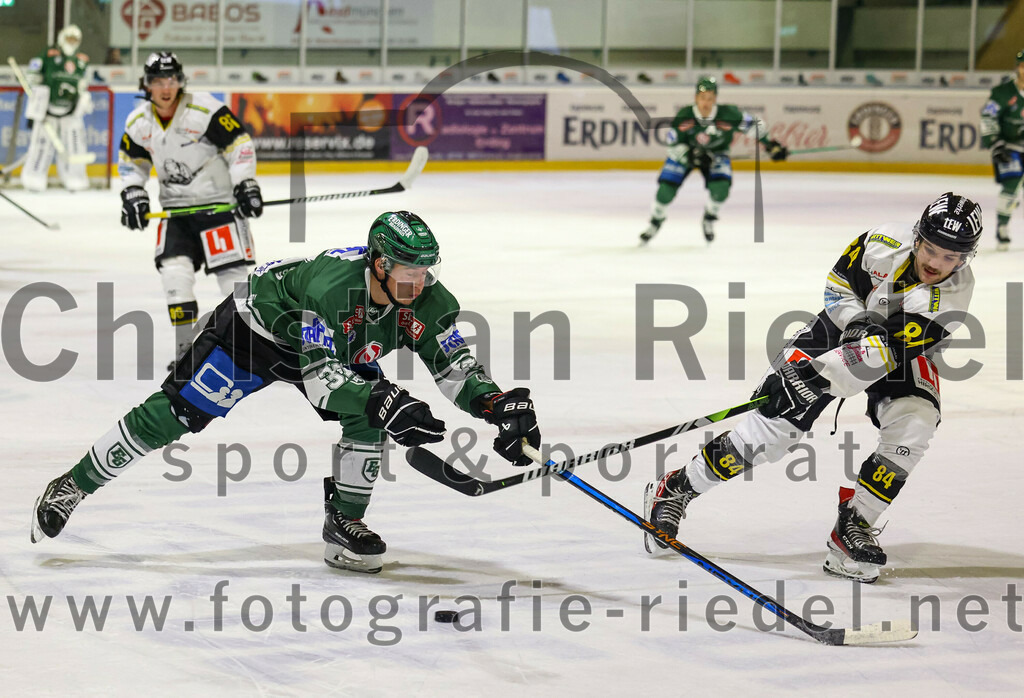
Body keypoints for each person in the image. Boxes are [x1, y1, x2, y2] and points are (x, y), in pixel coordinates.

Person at [29, 211, 543, 575]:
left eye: (425, 270)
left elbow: (454, 363)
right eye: (409, 271)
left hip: (328, 345)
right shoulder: (332, 290)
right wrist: (383, 399)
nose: (420, 281)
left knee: (370, 412)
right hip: (257, 332)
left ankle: (345, 521)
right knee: (173, 415)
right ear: (379, 264)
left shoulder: (428, 298)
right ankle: (73, 484)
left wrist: (492, 404)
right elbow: (322, 382)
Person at [643, 193, 981, 584]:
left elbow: (885, 352)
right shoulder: (881, 242)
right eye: (934, 250)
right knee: (769, 433)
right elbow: (838, 287)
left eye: (952, 258)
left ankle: (852, 527)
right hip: (834, 330)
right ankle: (677, 488)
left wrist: (817, 377)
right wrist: (855, 321)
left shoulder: (954, 294)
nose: (938, 264)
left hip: (902, 351)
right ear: (918, 237)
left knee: (916, 423)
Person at [118, 51, 263, 367]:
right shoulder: (138, 123)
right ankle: (186, 351)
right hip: (176, 213)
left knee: (234, 281)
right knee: (174, 276)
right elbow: (132, 164)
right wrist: (133, 192)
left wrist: (245, 183)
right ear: (147, 85)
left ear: (180, 81)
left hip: (218, 209)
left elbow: (239, 144)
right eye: (158, 81)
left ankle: (250, 346)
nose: (165, 87)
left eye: (170, 79)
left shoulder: (205, 108)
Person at [639, 76, 789, 245]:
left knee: (721, 189)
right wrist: (689, 155)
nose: (706, 103)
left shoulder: (728, 113)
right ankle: (655, 221)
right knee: (664, 192)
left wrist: (771, 145)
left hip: (716, 154)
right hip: (686, 155)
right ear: (696, 98)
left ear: (715, 99)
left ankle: (709, 217)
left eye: (710, 98)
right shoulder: (685, 115)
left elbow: (754, 126)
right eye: (702, 98)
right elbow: (673, 144)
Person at [20, 24, 92, 192]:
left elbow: (83, 82)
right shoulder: (49, 54)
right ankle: (34, 176)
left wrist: (83, 96)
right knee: (41, 145)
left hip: (70, 112)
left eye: (75, 39)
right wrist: (35, 87)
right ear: (62, 38)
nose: (72, 42)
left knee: (74, 144)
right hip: (47, 111)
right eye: (69, 38)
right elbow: (32, 73)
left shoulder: (81, 60)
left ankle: (75, 177)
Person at [980, 48, 1024, 250]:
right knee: (1011, 184)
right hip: (1010, 146)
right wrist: (995, 143)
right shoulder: (1003, 93)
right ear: (1018, 67)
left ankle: (1011, 203)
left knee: (1015, 190)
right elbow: (988, 116)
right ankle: (1003, 227)